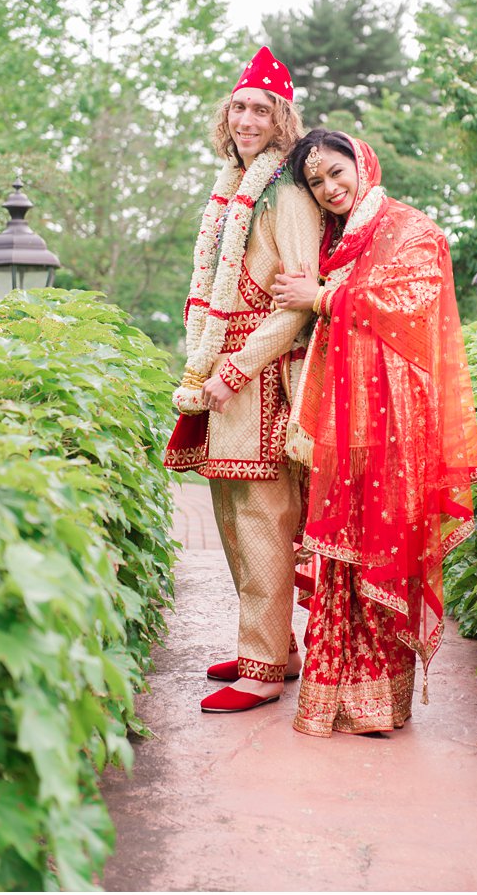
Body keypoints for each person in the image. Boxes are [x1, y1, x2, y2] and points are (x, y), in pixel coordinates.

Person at [269, 129, 477, 737]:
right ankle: (332, 694)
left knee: (381, 548)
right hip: (343, 420)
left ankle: (380, 704)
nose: (331, 189)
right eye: (317, 182)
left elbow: (414, 306)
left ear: (362, 164)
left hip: (395, 420)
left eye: (337, 173)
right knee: (340, 551)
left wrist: (325, 297)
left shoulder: (412, 231)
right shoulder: (329, 244)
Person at [165, 46, 323, 714]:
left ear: (282, 119)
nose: (247, 117)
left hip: (260, 383)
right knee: (230, 520)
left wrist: (232, 369)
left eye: (262, 108)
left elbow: (293, 302)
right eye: (239, 105)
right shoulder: (231, 190)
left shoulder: (284, 193)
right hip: (222, 380)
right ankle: (272, 647)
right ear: (225, 114)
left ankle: (262, 671)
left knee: (263, 521)